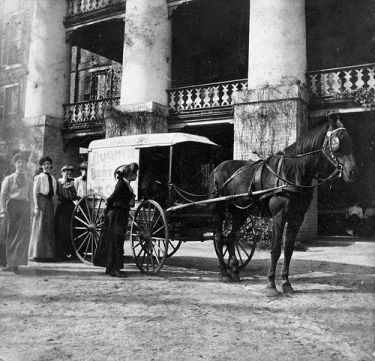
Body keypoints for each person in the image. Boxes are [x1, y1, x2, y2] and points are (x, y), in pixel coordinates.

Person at [94, 162, 138, 277]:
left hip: (121, 214)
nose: (136, 175)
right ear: (130, 174)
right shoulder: (121, 184)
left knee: (118, 241)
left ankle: (113, 268)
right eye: (135, 173)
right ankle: (114, 269)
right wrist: (106, 211)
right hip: (116, 215)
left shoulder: (127, 184)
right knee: (115, 241)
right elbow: (111, 198)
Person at [0, 151, 33, 274]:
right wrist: (2, 211)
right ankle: (10, 263)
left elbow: (31, 197)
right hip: (11, 207)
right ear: (15, 164)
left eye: (23, 163)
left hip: (24, 207)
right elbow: (3, 195)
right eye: (18, 162)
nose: (21, 165)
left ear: (26, 165)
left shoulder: (29, 180)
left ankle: (16, 262)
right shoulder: (8, 179)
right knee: (10, 234)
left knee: (22, 236)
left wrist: (32, 210)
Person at [29, 156, 57, 261]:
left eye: (48, 164)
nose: (46, 166)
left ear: (50, 165)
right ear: (41, 166)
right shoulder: (39, 177)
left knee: (49, 227)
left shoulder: (53, 178)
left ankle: (48, 255)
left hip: (49, 203)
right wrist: (36, 206)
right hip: (41, 202)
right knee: (40, 226)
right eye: (44, 164)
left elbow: (53, 193)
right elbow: (34, 192)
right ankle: (37, 254)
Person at [55, 165, 79, 260]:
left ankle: (71, 252)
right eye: (66, 172)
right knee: (61, 230)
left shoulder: (72, 183)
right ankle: (61, 253)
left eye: (69, 173)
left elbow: (74, 195)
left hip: (70, 207)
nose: (68, 174)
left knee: (70, 230)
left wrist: (74, 195)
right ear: (62, 173)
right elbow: (58, 194)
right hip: (62, 207)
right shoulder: (59, 183)